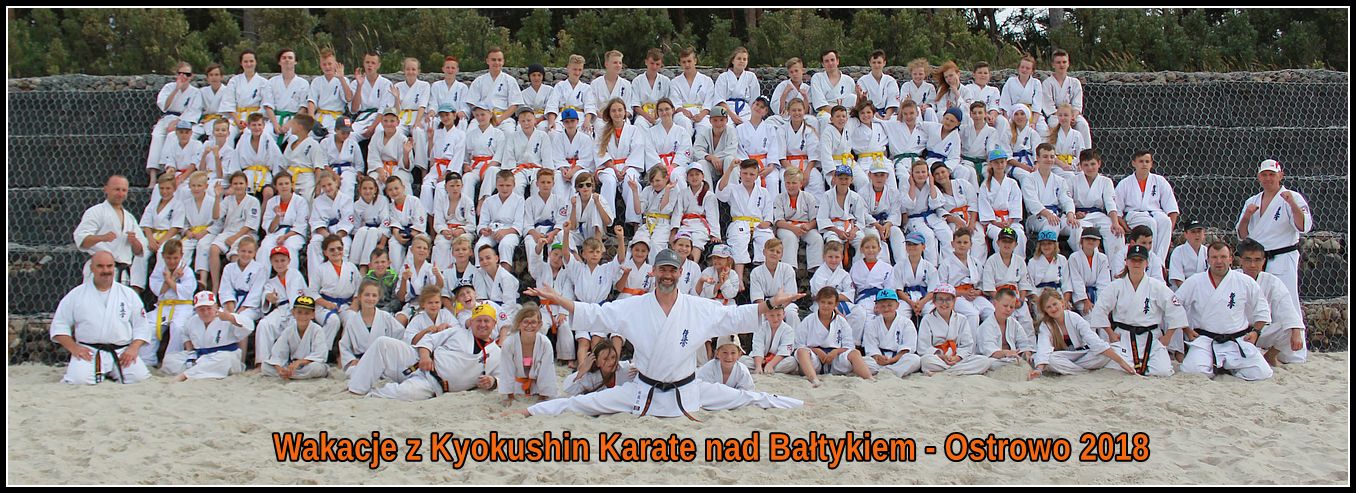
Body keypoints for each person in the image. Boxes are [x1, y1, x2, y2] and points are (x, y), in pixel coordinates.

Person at [517, 249, 805, 419]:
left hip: (688, 389)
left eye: (673, 270)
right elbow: (596, 313)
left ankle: (800, 404)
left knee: (748, 398)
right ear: (653, 272)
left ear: (680, 273)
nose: (668, 275)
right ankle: (530, 412)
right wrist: (559, 299)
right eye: (663, 270)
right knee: (583, 404)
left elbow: (735, 317)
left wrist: (771, 304)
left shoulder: (698, 307)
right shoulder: (633, 306)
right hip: (643, 390)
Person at [347, 303, 503, 400]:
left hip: (433, 384)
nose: (482, 324)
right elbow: (429, 340)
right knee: (383, 344)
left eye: (486, 321)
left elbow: (502, 377)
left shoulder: (496, 353)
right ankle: (356, 390)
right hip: (417, 361)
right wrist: (425, 356)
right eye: (478, 320)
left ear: (494, 323)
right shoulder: (458, 331)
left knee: (404, 393)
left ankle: (371, 395)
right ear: (472, 322)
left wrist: (493, 381)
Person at [50, 251, 153, 385]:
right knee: (78, 380)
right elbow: (60, 325)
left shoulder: (128, 294)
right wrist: (74, 348)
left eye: (109, 266)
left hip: (122, 352)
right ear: (92, 268)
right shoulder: (76, 295)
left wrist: (133, 348)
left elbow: (141, 326)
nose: (106, 270)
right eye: (100, 266)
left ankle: (109, 372)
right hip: (89, 352)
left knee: (139, 378)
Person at [1175, 242, 1273, 381]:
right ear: (1208, 260)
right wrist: (1186, 329)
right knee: (1192, 371)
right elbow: (1175, 305)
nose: (1219, 261)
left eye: (1223, 257)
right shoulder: (1195, 281)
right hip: (1205, 340)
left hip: (1237, 340)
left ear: (1231, 259)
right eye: (1214, 257)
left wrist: (1256, 332)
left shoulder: (1245, 281)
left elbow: (1262, 309)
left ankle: (1227, 367)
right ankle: (1221, 366)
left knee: (1262, 372)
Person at [1086, 244, 1188, 377]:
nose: (1136, 263)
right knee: (1120, 368)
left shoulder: (1156, 286)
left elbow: (1176, 310)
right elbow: (1100, 309)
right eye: (1133, 260)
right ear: (1127, 262)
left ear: (1146, 263)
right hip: (1124, 336)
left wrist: (1168, 337)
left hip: (1151, 337)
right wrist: (1110, 333)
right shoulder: (1116, 286)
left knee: (1162, 371)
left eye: (1140, 260)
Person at [1237, 159, 1311, 318]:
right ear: (1259, 177)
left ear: (1280, 175)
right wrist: (1247, 216)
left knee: (1286, 301)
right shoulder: (1252, 201)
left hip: (1283, 259)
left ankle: (1294, 334)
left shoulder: (1293, 197)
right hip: (1257, 261)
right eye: (1264, 175)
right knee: (1256, 303)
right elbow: (1242, 235)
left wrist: (1292, 204)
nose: (1268, 178)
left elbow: (1303, 226)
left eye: (1272, 174)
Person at [1029, 289, 1135, 379]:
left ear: (1062, 303)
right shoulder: (1046, 325)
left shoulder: (1074, 317)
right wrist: (1039, 370)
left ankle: (1073, 369)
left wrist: (1121, 362)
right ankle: (1083, 371)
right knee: (1051, 360)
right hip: (1064, 357)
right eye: (1048, 307)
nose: (1053, 309)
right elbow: (1044, 347)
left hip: (1084, 354)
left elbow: (1093, 340)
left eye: (1054, 304)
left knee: (1107, 352)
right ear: (1045, 311)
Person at [1237, 239, 1308, 365]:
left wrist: (1296, 331)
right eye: (1248, 260)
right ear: (1241, 260)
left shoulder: (1272, 281)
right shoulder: (1232, 278)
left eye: (1257, 260)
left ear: (1263, 261)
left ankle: (1270, 355)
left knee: (1292, 329)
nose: (1253, 265)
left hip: (1261, 331)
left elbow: (1287, 307)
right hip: (1236, 332)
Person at [161, 291, 255, 381]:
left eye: (209, 308)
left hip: (223, 356)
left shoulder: (226, 317)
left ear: (216, 306)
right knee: (170, 359)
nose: (205, 312)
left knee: (224, 360)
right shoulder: (193, 321)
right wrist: (189, 349)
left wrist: (230, 318)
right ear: (196, 310)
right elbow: (185, 334)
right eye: (201, 309)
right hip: (200, 356)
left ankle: (185, 376)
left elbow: (249, 327)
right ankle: (198, 371)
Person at [74, 175, 147, 286]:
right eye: (117, 189)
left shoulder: (130, 218)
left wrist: (134, 242)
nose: (120, 193)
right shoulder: (96, 212)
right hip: (99, 271)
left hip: (122, 273)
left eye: (124, 190)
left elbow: (140, 251)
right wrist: (102, 238)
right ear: (106, 189)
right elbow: (81, 240)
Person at [597, 97, 659, 225]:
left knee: (631, 180)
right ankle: (607, 220)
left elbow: (637, 150)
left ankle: (634, 221)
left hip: (629, 166)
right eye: (614, 111)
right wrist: (614, 168)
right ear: (609, 113)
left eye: (620, 110)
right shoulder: (602, 131)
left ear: (625, 112)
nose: (617, 113)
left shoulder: (633, 130)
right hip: (609, 167)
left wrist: (625, 168)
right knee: (609, 181)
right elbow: (601, 152)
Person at [794, 287, 875, 382]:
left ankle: (870, 379)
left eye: (830, 303)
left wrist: (835, 352)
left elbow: (849, 346)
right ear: (818, 302)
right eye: (823, 302)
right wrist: (817, 351)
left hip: (836, 360)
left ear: (836, 304)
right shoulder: (808, 320)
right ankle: (814, 379)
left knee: (855, 353)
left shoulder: (842, 321)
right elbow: (799, 345)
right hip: (814, 360)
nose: (826, 306)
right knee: (801, 352)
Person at [1068, 149, 1128, 275]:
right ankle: (1085, 268)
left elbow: (1110, 203)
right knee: (1077, 230)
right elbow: (1067, 201)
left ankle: (1116, 272)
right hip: (1081, 216)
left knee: (1116, 233)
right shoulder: (1073, 180)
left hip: (1099, 215)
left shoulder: (1106, 181)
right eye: (1086, 165)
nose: (1090, 168)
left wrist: (1115, 223)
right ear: (1080, 166)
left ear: (1099, 163)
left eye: (1093, 164)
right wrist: (1073, 214)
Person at [1115, 150, 1179, 262]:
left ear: (1151, 164)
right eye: (1141, 161)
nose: (1144, 164)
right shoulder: (1125, 183)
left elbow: (1172, 209)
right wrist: (1125, 227)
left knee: (1165, 221)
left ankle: (1159, 262)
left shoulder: (1160, 181)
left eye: (1147, 161)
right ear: (1134, 163)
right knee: (1150, 223)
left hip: (1156, 213)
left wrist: (1169, 231)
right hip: (1134, 215)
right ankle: (1148, 260)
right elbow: (1116, 210)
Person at [717, 158, 776, 276]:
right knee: (739, 243)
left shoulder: (763, 192)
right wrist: (730, 169)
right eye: (745, 173)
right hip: (739, 223)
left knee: (768, 241)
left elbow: (768, 211)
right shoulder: (733, 188)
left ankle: (765, 275)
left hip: (759, 224)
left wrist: (767, 222)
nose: (748, 177)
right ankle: (739, 279)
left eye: (752, 174)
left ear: (757, 175)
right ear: (740, 173)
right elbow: (721, 192)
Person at [916, 284, 990, 375]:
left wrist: (957, 357)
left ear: (954, 301)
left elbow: (967, 345)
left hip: (957, 359)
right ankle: (957, 371)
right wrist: (942, 356)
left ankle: (947, 371)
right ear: (934, 301)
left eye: (948, 299)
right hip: (938, 358)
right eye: (940, 299)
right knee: (926, 361)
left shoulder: (962, 319)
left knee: (984, 361)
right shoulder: (927, 319)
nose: (944, 303)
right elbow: (923, 348)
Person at [254, 245, 308, 369]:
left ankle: (295, 362)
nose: (279, 264)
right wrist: (269, 297)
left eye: (282, 260)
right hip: (281, 309)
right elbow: (266, 294)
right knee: (264, 324)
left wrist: (297, 310)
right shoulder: (271, 282)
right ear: (271, 262)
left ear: (289, 261)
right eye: (276, 261)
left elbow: (302, 293)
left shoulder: (295, 274)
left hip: (297, 308)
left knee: (295, 327)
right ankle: (262, 362)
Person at [146, 239, 196, 367]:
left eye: (175, 258)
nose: (172, 261)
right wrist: (172, 278)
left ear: (181, 255)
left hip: (183, 306)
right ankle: (147, 360)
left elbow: (187, 292)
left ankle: (171, 362)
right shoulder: (159, 270)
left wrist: (169, 280)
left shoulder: (186, 271)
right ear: (163, 256)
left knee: (178, 327)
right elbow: (159, 291)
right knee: (148, 325)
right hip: (164, 306)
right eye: (168, 258)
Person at [338, 280, 405, 374]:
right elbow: (344, 346)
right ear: (360, 297)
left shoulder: (385, 317)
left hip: (383, 361)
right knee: (352, 372)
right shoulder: (352, 321)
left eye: (374, 295)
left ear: (378, 298)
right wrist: (351, 360)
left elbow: (400, 336)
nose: (370, 298)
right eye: (367, 295)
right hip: (361, 362)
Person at [498, 304, 559, 404]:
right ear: (519, 324)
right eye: (525, 322)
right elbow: (507, 370)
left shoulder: (545, 343)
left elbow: (547, 370)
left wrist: (543, 396)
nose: (529, 326)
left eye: (533, 322)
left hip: (538, 386)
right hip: (517, 387)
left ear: (540, 325)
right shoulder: (509, 343)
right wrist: (510, 395)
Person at [981, 227, 1035, 338]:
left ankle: (1030, 347)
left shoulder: (1020, 261)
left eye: (1010, 242)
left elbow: (1024, 284)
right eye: (1004, 241)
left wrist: (1021, 300)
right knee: (1007, 325)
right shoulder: (991, 261)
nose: (1007, 244)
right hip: (999, 298)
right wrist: (1004, 301)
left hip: (1017, 298)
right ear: (998, 242)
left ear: (1016, 244)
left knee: (1026, 323)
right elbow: (989, 287)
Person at [262, 295, 331, 380]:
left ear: (313, 314)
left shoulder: (317, 330)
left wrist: (300, 362)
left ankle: (292, 376)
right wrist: (280, 370)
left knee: (316, 368)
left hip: (308, 365)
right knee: (265, 366)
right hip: (293, 367)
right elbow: (278, 353)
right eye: (299, 312)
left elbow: (320, 354)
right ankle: (290, 374)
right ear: (293, 313)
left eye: (307, 313)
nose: (303, 316)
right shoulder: (288, 331)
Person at [148, 61, 199, 172]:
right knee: (156, 135)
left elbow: (193, 111)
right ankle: (153, 173)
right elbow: (164, 106)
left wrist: (177, 122)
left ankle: (167, 168)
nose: (184, 77)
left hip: (183, 119)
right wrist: (176, 89)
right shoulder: (168, 87)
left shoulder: (195, 92)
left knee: (172, 136)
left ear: (191, 76)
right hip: (167, 117)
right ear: (177, 74)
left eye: (187, 74)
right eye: (181, 73)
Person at [1022, 143, 1079, 243]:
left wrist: (1070, 214)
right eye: (1045, 156)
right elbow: (1032, 202)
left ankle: (1080, 253)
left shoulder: (1060, 180)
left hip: (1057, 216)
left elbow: (1067, 200)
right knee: (1053, 224)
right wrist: (1048, 214)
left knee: (1076, 227)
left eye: (1052, 157)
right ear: (1037, 158)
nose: (1049, 160)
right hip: (1037, 217)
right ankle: (1048, 252)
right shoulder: (1029, 179)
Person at [306, 170, 354, 287]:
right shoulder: (318, 201)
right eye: (324, 186)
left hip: (341, 234)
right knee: (314, 244)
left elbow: (348, 221)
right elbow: (316, 222)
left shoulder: (346, 199)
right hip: (325, 233)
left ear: (336, 182)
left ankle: (343, 282)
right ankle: (316, 283)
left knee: (343, 246)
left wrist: (336, 237)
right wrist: (328, 237)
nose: (327, 188)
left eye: (329, 184)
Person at [972, 288, 1035, 373]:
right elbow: (990, 351)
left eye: (1011, 307)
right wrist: (1006, 353)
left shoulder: (1014, 323)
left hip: (1012, 358)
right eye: (1005, 306)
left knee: (1034, 359)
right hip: (994, 360)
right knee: (987, 362)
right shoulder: (986, 326)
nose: (1008, 309)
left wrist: (1026, 353)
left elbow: (1024, 343)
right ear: (995, 304)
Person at [862, 290, 923, 378]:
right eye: (882, 306)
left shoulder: (906, 323)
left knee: (915, 359)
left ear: (897, 305)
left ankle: (886, 372)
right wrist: (878, 356)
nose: (886, 309)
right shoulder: (872, 324)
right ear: (877, 306)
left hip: (898, 359)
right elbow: (871, 347)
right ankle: (890, 372)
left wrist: (891, 361)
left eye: (889, 305)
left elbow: (907, 348)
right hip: (879, 361)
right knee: (863, 361)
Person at [773, 168, 824, 272]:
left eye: (794, 183)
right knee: (790, 237)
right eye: (788, 183)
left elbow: (815, 219)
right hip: (786, 227)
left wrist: (808, 226)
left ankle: (816, 268)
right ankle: (789, 268)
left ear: (801, 184)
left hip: (805, 227)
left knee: (817, 238)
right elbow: (778, 221)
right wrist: (793, 229)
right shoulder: (779, 198)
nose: (790, 186)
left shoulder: (809, 197)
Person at [978, 149, 1027, 256]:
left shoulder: (1012, 183)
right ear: (991, 164)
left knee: (1019, 234)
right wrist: (996, 222)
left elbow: (1016, 203)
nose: (1000, 165)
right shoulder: (985, 185)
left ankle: (1019, 261)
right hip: (994, 223)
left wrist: (1010, 221)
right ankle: (1001, 261)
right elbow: (984, 206)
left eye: (1002, 162)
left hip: (1010, 220)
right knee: (999, 235)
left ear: (1006, 163)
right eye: (996, 162)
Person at [258, 173, 309, 274]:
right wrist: (277, 216)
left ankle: (291, 278)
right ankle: (262, 279)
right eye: (280, 184)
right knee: (264, 248)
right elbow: (269, 229)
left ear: (291, 185)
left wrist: (285, 237)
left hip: (294, 234)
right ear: (276, 187)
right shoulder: (272, 202)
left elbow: (301, 225)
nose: (284, 186)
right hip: (275, 233)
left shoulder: (300, 201)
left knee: (290, 247)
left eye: (286, 183)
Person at [773, 98, 825, 196]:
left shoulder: (810, 131)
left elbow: (813, 156)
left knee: (816, 178)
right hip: (788, 165)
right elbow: (781, 157)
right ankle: (788, 205)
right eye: (794, 110)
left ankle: (815, 205)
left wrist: (807, 172)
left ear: (804, 111)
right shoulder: (782, 130)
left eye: (799, 110)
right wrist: (794, 172)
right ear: (788, 112)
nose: (797, 113)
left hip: (806, 165)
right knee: (787, 180)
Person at [1041, 49, 1092, 148]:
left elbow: (1077, 105)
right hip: (1056, 116)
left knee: (1083, 125)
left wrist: (1072, 117)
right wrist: (1063, 117)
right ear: (1053, 64)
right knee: (1054, 124)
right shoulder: (1047, 83)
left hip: (1072, 115)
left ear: (1068, 64)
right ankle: (1056, 154)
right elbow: (1049, 107)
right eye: (1058, 62)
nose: (1062, 65)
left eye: (1064, 62)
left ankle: (1086, 154)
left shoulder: (1075, 82)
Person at [475, 170, 525, 268]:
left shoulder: (519, 201)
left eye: (508, 185)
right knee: (480, 245)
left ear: (514, 185)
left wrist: (505, 232)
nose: (504, 188)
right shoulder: (488, 201)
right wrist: (484, 230)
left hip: (510, 232)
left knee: (505, 245)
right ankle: (480, 274)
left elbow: (518, 225)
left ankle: (505, 275)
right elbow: (482, 223)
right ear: (496, 185)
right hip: (492, 231)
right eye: (501, 185)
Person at [221, 50, 275, 141]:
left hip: (255, 119)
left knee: (251, 133)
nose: (249, 64)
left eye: (251, 61)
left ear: (256, 62)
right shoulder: (234, 81)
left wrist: (251, 120)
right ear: (241, 63)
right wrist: (237, 120)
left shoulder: (263, 82)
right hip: (236, 118)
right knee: (227, 133)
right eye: (245, 61)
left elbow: (265, 104)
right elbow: (228, 102)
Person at [749, 239, 801, 329]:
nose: (774, 253)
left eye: (778, 252)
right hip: (765, 304)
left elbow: (790, 296)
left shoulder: (788, 269)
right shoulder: (756, 272)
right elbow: (757, 298)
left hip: (785, 304)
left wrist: (778, 309)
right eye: (771, 250)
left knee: (792, 314)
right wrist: (768, 309)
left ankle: (794, 338)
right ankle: (761, 338)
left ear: (781, 256)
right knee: (760, 316)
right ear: (764, 252)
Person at [463, 101, 509, 202]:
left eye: (482, 114)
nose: (480, 118)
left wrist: (487, 168)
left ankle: (483, 201)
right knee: (467, 178)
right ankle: (467, 206)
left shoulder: (498, 134)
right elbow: (466, 157)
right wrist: (466, 166)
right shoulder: (470, 135)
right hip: (475, 166)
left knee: (491, 171)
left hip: (491, 165)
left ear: (490, 114)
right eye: (477, 115)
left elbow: (498, 156)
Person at [469, 47, 523, 134]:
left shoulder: (510, 80)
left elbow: (514, 104)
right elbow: (473, 103)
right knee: (470, 131)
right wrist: (483, 117)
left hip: (503, 118)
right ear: (487, 61)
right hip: (481, 117)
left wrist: (500, 119)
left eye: (499, 60)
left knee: (509, 132)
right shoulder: (479, 81)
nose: (497, 63)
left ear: (503, 61)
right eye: (493, 60)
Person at [266, 48, 310, 147]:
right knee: (265, 135)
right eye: (284, 58)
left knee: (294, 137)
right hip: (275, 118)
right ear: (279, 62)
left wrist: (289, 124)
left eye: (290, 58)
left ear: (295, 61)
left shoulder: (303, 83)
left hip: (294, 119)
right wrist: (275, 124)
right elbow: (268, 106)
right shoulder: (272, 82)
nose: (287, 60)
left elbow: (303, 108)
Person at [560, 340, 635, 397]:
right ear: (597, 362)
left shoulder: (625, 368)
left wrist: (639, 369)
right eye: (605, 359)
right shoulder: (591, 376)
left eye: (613, 357)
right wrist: (581, 371)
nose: (611, 362)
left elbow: (639, 368)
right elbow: (568, 390)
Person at [367, 107, 416, 194]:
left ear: (398, 122)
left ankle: (405, 202)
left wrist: (406, 153)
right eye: (385, 121)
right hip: (380, 167)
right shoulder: (376, 137)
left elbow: (407, 167)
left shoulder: (403, 139)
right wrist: (381, 171)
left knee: (400, 180)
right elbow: (373, 158)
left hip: (398, 169)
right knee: (373, 181)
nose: (388, 124)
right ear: (381, 122)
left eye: (392, 121)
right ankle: (377, 203)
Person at [279, 114, 327, 200]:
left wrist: (318, 188)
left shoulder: (313, 144)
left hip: (306, 180)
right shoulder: (291, 140)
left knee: (306, 202)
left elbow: (318, 169)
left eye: (293, 124)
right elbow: (284, 163)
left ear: (300, 127)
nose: (291, 127)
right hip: (290, 178)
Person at [692, 105, 740, 191]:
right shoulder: (704, 132)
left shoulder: (731, 131)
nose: (718, 124)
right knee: (702, 163)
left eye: (722, 120)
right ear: (710, 121)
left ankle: (733, 194)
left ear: (727, 120)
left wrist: (716, 159)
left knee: (730, 159)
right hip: (712, 166)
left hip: (726, 165)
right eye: (715, 120)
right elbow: (697, 150)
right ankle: (708, 195)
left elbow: (731, 151)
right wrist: (711, 157)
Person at [744, 307, 802, 376]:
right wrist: (758, 366)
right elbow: (758, 347)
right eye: (772, 315)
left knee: (792, 362)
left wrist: (770, 364)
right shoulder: (760, 327)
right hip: (760, 360)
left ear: (783, 314)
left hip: (777, 362)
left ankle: (767, 369)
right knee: (743, 360)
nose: (775, 319)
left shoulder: (789, 330)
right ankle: (761, 369)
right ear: (765, 315)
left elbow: (784, 351)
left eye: (778, 315)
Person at [893, 231, 938, 322]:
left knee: (932, 314)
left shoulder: (930, 267)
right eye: (909, 244)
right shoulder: (899, 266)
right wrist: (911, 303)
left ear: (923, 247)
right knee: (899, 315)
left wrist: (922, 303)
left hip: (925, 298)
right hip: (906, 298)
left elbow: (933, 290)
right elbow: (898, 289)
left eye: (915, 244)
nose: (911, 247)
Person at [669, 47, 716, 132]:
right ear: (680, 63)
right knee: (684, 123)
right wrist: (682, 110)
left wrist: (702, 114)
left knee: (706, 128)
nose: (687, 65)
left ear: (695, 61)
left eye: (689, 61)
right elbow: (675, 102)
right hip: (682, 114)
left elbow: (709, 102)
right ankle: (685, 141)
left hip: (701, 113)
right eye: (684, 62)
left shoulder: (707, 81)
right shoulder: (675, 82)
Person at [810, 50, 857, 133]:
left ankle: (848, 141)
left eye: (832, 60)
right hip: (826, 111)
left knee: (853, 116)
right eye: (826, 61)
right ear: (822, 64)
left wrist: (842, 115)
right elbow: (820, 103)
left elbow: (853, 102)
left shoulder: (848, 80)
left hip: (845, 111)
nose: (830, 63)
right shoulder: (817, 78)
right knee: (826, 119)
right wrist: (837, 115)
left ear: (837, 61)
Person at [647, 99, 693, 184]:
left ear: (673, 110)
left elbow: (685, 151)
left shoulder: (682, 131)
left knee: (676, 174)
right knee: (659, 176)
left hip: (677, 166)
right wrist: (661, 167)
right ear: (657, 113)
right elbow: (649, 152)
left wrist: (672, 166)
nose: (664, 113)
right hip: (658, 165)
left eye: (667, 109)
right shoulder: (650, 132)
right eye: (661, 110)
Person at [349, 176, 391, 269]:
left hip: (379, 231)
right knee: (362, 230)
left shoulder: (383, 200)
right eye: (365, 188)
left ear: (375, 189)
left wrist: (382, 244)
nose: (368, 191)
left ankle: (365, 265)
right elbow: (356, 227)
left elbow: (386, 222)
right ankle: (353, 264)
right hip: (364, 231)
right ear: (360, 190)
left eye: (371, 188)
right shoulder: (356, 205)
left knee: (373, 231)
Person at [383, 176, 426, 267]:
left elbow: (420, 222)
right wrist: (398, 236)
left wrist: (411, 235)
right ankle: (396, 272)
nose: (394, 192)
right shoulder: (390, 207)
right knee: (393, 243)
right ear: (386, 192)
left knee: (416, 244)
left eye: (396, 188)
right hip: (400, 233)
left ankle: (411, 272)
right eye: (390, 190)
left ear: (403, 187)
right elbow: (394, 224)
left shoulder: (414, 201)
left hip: (416, 233)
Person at [1069, 228, 1112, 316]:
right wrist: (1085, 300)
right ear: (1082, 241)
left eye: (1094, 239)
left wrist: (1100, 302)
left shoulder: (1103, 258)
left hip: (1098, 295)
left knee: (1102, 315)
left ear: (1098, 242)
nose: (1091, 241)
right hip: (1081, 297)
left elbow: (1104, 282)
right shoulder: (1074, 258)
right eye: (1088, 239)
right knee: (1089, 315)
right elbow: (1076, 281)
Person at [590, 50, 635, 135]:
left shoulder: (626, 85)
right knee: (600, 127)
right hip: (601, 119)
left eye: (620, 63)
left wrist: (619, 116)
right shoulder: (595, 84)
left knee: (627, 128)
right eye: (615, 62)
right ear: (606, 64)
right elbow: (592, 106)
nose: (618, 65)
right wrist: (603, 116)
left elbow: (628, 108)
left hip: (620, 118)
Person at [999, 55, 1047, 134]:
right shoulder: (1010, 82)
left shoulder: (1036, 83)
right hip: (1014, 112)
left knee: (1043, 129)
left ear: (1032, 71)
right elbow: (1005, 103)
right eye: (1022, 67)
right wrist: (1007, 121)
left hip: (1030, 113)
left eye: (1027, 68)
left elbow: (1037, 105)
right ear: (1018, 68)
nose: (1024, 70)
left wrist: (1034, 122)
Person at [306, 49, 351, 132]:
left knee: (333, 137)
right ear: (320, 65)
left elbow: (348, 98)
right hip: (320, 117)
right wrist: (311, 120)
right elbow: (311, 101)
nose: (327, 67)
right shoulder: (316, 81)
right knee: (310, 136)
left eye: (330, 64)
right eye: (324, 64)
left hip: (336, 118)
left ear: (335, 64)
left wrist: (341, 78)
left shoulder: (343, 80)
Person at [714, 47, 760, 125]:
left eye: (744, 59)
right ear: (733, 61)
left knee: (749, 127)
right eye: (739, 58)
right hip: (727, 110)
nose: (742, 61)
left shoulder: (751, 77)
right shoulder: (723, 77)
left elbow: (755, 100)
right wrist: (732, 116)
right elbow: (719, 99)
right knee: (728, 127)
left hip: (746, 110)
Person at [1028, 230, 1073, 305]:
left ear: (1055, 245)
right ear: (1039, 246)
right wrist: (1038, 301)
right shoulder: (1032, 261)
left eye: (1049, 243)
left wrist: (1065, 301)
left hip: (1057, 293)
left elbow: (1067, 283)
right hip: (1039, 295)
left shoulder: (1062, 259)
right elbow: (1030, 285)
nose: (1046, 247)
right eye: (1043, 244)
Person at [631, 49, 670, 129]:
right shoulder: (637, 81)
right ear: (646, 62)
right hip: (643, 115)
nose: (654, 67)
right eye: (652, 63)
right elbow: (635, 105)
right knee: (639, 124)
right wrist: (647, 116)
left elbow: (668, 103)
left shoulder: (665, 81)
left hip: (661, 114)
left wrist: (659, 114)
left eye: (657, 64)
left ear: (661, 65)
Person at [430, 56, 471, 132]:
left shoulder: (462, 87)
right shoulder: (436, 85)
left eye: (453, 68)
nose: (450, 70)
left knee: (462, 122)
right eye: (447, 67)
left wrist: (462, 112)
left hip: (456, 118)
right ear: (443, 69)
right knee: (431, 121)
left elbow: (464, 106)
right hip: (440, 117)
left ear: (457, 70)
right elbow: (433, 103)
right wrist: (432, 111)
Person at [857, 50, 900, 120]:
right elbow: (863, 103)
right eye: (874, 62)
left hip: (888, 114)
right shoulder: (862, 81)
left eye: (879, 62)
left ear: (884, 63)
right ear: (870, 63)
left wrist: (887, 116)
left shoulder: (890, 81)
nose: (876, 65)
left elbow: (893, 100)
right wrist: (875, 114)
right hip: (869, 114)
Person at [1169, 219, 1209, 290]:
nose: (1197, 235)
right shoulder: (1178, 252)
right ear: (1185, 234)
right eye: (1193, 232)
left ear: (1204, 233)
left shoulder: (1207, 251)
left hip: (1204, 290)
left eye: (1199, 231)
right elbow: (1178, 279)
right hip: (1183, 291)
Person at [769, 57, 811, 126]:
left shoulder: (807, 88)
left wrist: (805, 97)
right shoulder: (783, 85)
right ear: (788, 74)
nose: (794, 74)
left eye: (796, 71)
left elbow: (807, 111)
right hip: (785, 118)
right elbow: (779, 110)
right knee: (770, 121)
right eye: (791, 72)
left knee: (813, 120)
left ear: (802, 70)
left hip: (802, 118)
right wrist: (785, 93)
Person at [900, 58, 937, 122]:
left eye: (920, 74)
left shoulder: (930, 87)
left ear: (925, 74)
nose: (917, 76)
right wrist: (907, 101)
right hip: (911, 112)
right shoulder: (906, 86)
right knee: (917, 109)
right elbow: (903, 101)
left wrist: (927, 106)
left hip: (925, 111)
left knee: (930, 110)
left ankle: (933, 127)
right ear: (911, 74)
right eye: (915, 74)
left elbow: (933, 103)